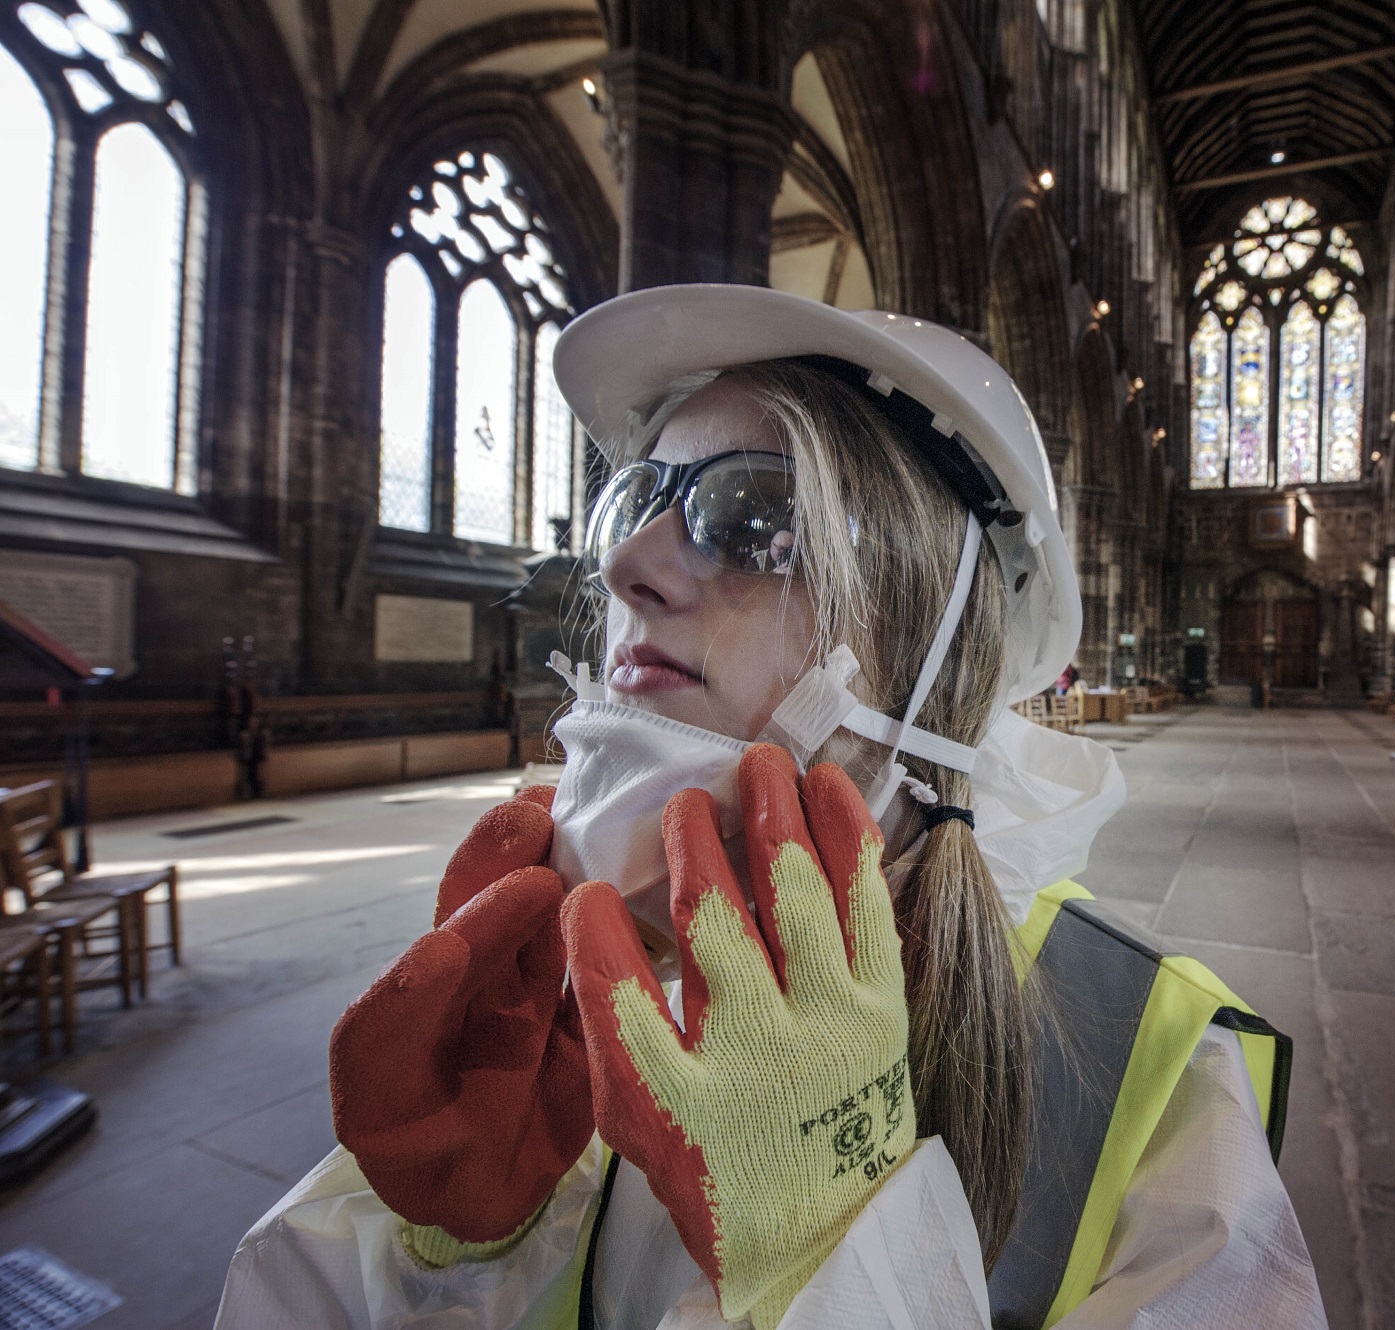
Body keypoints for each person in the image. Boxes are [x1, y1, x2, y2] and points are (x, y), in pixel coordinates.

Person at [214, 285, 1325, 1329]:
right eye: (633, 502)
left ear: (928, 647)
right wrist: (456, 1256)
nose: (630, 566)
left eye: (755, 522)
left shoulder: (1156, 1081)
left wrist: (833, 1265)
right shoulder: (568, 1007)